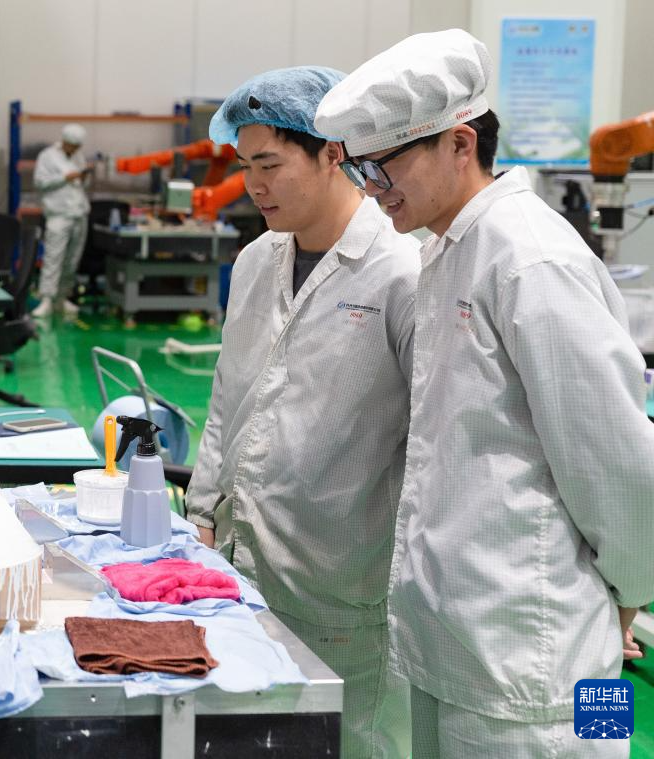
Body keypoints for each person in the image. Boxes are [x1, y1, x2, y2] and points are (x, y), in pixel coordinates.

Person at [314, 28, 654, 757]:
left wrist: (630, 591)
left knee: (596, 740)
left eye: (382, 167)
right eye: (360, 170)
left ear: (460, 143)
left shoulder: (530, 257)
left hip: (544, 668)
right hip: (463, 650)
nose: (371, 190)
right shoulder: (448, 247)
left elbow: (617, 460)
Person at [185, 66, 420, 758]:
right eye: (246, 167)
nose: (254, 186)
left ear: (332, 153)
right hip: (244, 561)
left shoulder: (400, 270)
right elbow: (229, 396)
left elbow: (433, 438)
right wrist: (201, 511)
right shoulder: (256, 261)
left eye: (270, 165)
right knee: (254, 736)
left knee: (352, 740)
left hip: (346, 575)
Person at [31, 123, 91, 318]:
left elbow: (82, 184)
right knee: (53, 258)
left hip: (79, 213)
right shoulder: (47, 156)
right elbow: (40, 182)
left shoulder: (79, 156)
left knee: (72, 260)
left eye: (77, 147)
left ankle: (62, 297)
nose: (74, 149)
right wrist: (65, 177)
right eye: (72, 146)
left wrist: (83, 178)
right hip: (58, 214)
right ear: (64, 141)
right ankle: (47, 299)